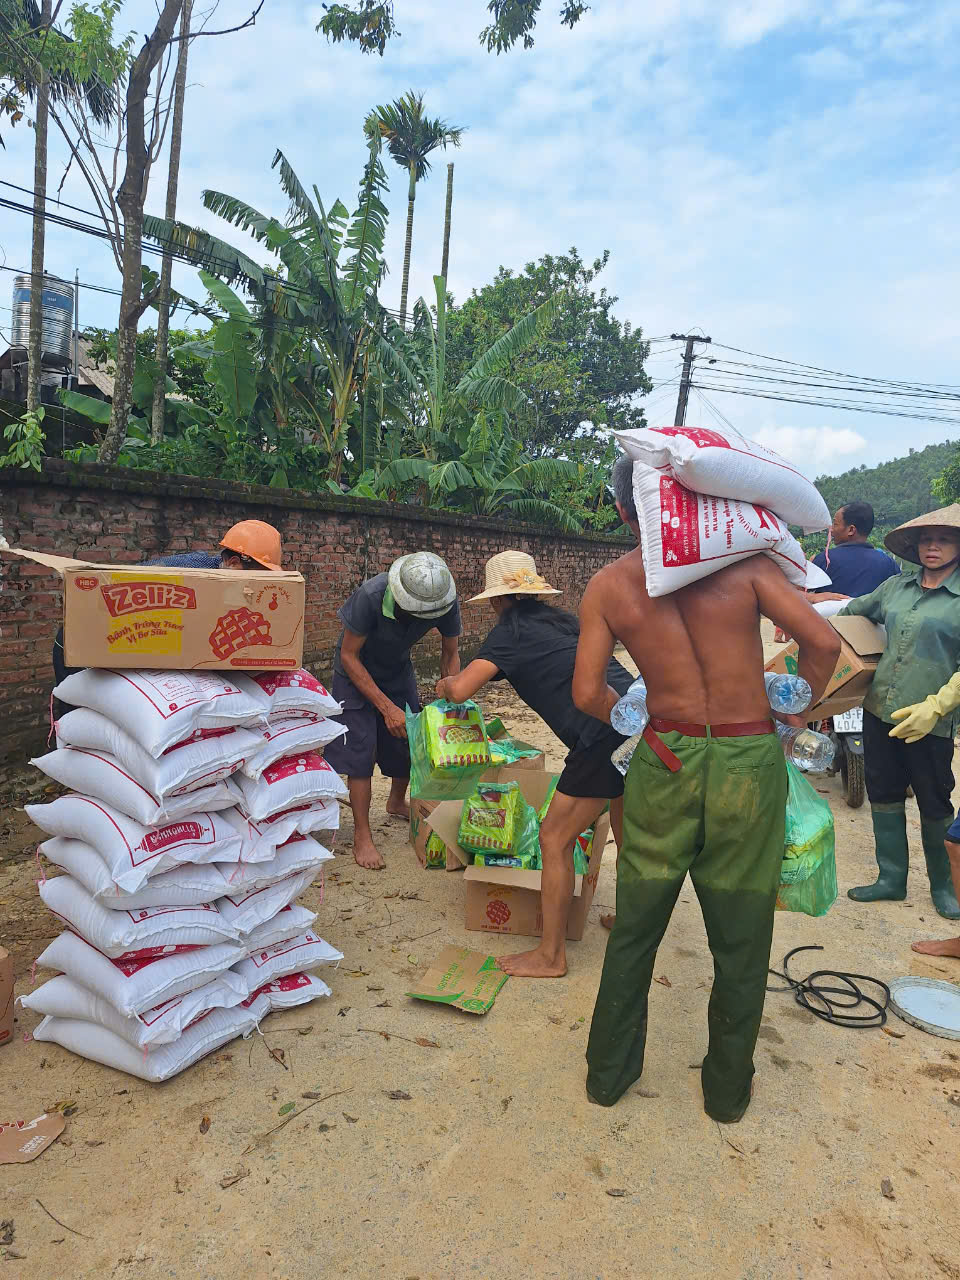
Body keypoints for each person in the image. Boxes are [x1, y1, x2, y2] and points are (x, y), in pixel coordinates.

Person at [573, 455, 840, 1120]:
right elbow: (823, 643)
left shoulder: (609, 585)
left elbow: (585, 693)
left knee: (635, 925)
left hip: (665, 753)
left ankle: (608, 1076)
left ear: (621, 509)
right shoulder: (745, 567)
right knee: (742, 932)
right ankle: (726, 1093)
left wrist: (631, 717)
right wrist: (794, 713)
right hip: (748, 756)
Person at [434, 550, 633, 978]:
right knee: (624, 823)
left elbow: (464, 690)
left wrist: (446, 684)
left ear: (496, 601)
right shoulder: (562, 622)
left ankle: (551, 956)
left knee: (554, 838)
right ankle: (632, 922)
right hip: (636, 715)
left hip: (601, 733)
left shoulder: (509, 634)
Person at [837, 505, 960, 920]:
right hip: (878, 711)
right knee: (884, 793)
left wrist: (936, 706)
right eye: (926, 539)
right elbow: (852, 614)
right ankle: (891, 878)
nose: (933, 546)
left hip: (930, 721)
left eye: (943, 539)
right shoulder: (895, 588)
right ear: (915, 545)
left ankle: (945, 887)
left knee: (935, 801)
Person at [52, 519, 284, 712]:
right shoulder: (194, 577)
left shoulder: (223, 586)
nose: (257, 586)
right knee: (79, 715)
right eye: (258, 577)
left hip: (119, 644)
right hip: (80, 642)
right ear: (233, 564)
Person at [324, 553, 462, 870]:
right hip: (354, 672)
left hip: (397, 670)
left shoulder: (443, 598)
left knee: (410, 738)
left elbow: (450, 651)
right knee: (360, 749)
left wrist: (451, 698)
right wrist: (386, 707)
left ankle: (396, 801)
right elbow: (348, 656)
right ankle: (362, 834)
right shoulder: (370, 597)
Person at [809, 502, 899, 602]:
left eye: (835, 524)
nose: (831, 530)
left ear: (851, 530)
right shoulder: (889, 563)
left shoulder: (825, 560)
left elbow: (798, 597)